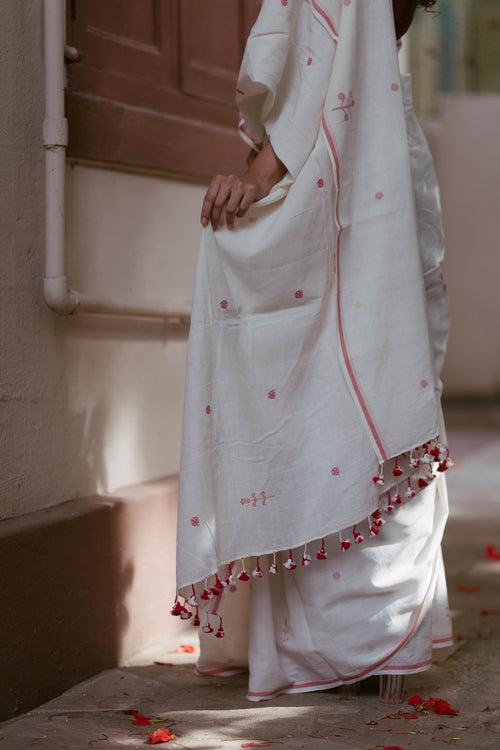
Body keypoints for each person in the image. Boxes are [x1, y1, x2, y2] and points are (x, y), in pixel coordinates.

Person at [173, 0, 453, 703]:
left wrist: (263, 178)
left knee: (363, 386)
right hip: (375, 159)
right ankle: (363, 645)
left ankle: (358, 644)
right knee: (359, 385)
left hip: (359, 168)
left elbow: (328, 67)